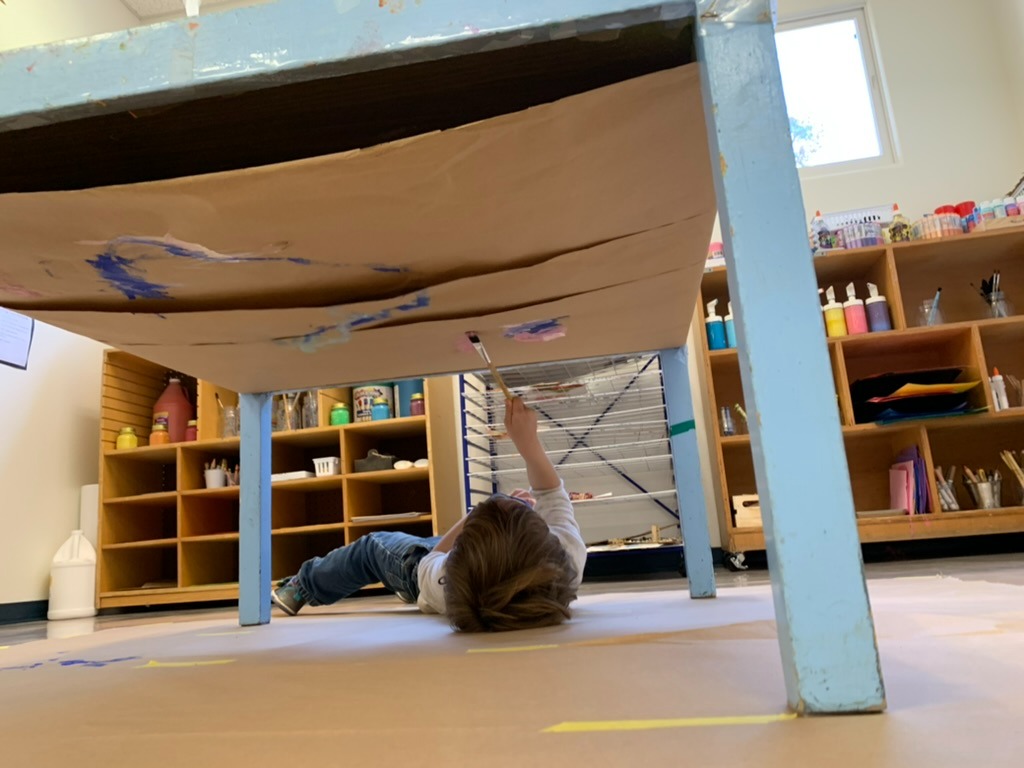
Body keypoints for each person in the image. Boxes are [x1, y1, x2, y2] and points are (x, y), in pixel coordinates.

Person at [271, 397, 588, 632]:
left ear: (465, 543)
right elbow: (552, 494)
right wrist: (527, 443)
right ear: (547, 540)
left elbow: (430, 559)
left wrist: (480, 511)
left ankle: (304, 584)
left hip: (421, 567)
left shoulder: (444, 582)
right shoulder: (567, 559)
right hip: (476, 554)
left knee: (371, 548)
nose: (526, 500)